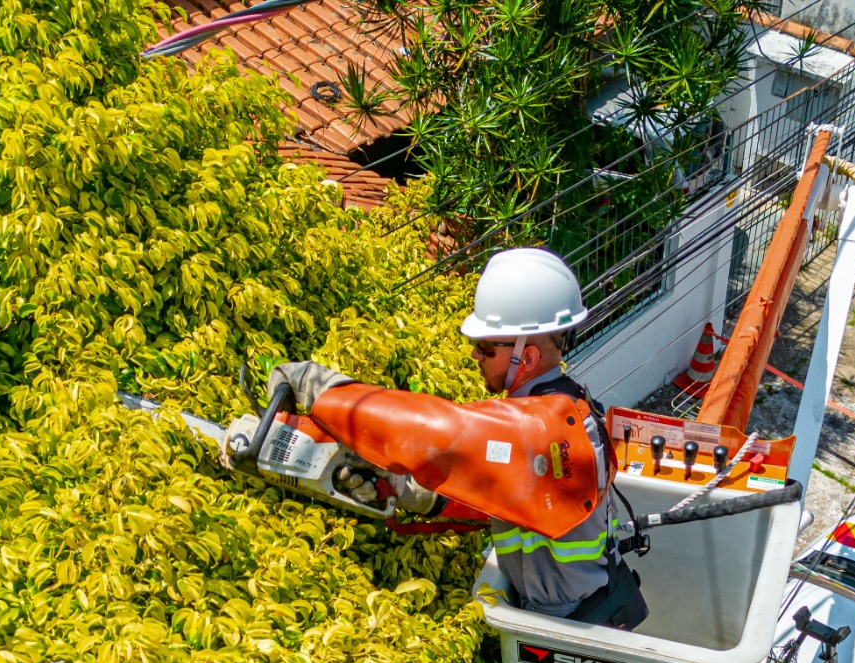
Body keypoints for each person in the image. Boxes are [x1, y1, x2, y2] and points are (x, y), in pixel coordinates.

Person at [244, 248, 646, 628]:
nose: (474, 356)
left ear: (526, 357)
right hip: (573, 604)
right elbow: (513, 494)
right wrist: (423, 495)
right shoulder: (560, 406)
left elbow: (436, 430)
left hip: (568, 625)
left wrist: (327, 392)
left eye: (485, 348)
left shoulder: (541, 431)